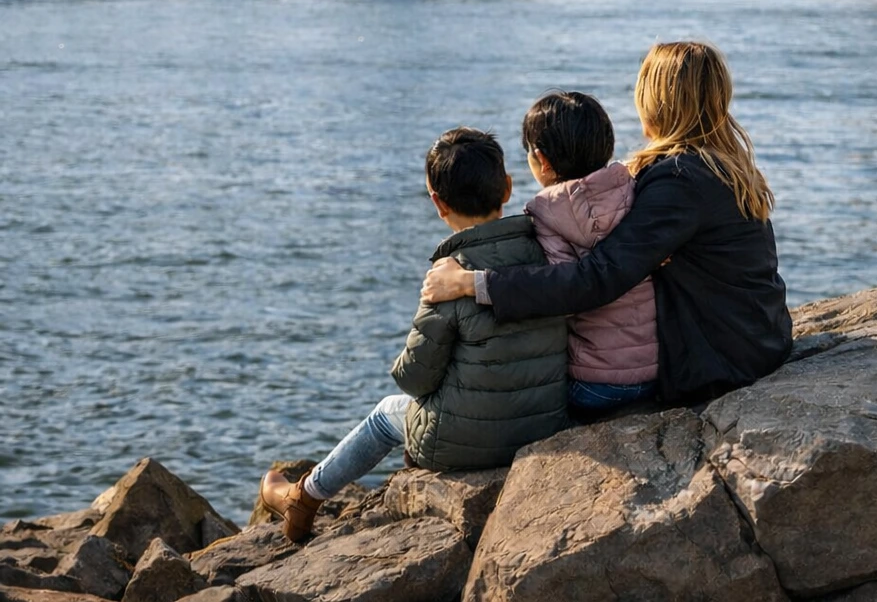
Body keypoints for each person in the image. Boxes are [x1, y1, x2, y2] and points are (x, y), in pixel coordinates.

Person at [423, 42, 792, 408]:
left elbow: (597, 278)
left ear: (655, 100)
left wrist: (474, 283)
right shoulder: (720, 164)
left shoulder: (680, 180)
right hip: (756, 336)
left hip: (722, 360)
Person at [260, 128, 566, 542]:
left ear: (438, 204)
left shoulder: (449, 275)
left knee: (388, 412)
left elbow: (414, 378)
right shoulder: (547, 249)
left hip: (468, 440)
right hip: (543, 425)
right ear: (508, 188)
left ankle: (304, 497)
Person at [521, 91, 659, 414]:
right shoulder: (632, 186)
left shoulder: (546, 211)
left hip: (596, 385)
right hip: (659, 370)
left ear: (541, 160)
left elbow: (564, 298)